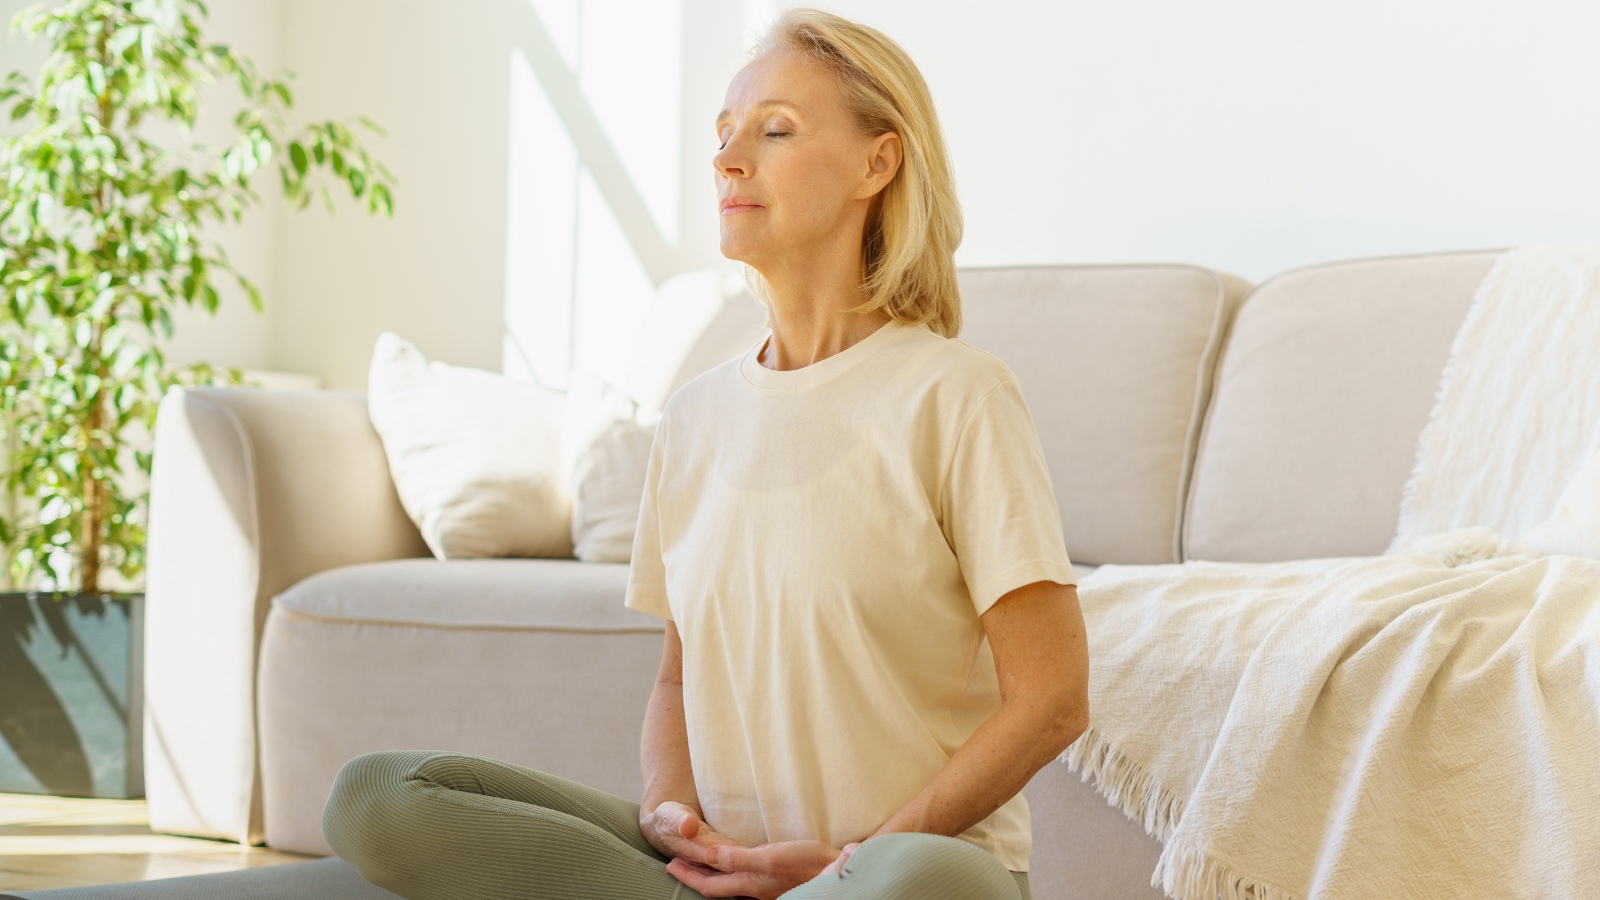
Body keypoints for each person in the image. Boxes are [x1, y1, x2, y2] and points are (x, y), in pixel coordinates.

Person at [322, 9, 1089, 900]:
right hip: (728, 866)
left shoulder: (955, 396)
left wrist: (853, 855)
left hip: (902, 873)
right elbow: (676, 678)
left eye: (775, 130)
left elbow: (1053, 698)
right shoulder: (693, 417)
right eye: (723, 135)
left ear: (877, 163)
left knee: (917, 880)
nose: (728, 160)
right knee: (378, 798)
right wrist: (671, 815)